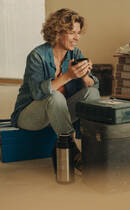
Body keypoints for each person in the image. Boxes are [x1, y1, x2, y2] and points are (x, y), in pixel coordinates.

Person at [10, 8, 100, 169]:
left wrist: (85, 76)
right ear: (58, 32)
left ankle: (91, 145)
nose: (77, 38)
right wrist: (67, 76)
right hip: (30, 116)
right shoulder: (37, 56)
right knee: (54, 96)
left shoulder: (75, 52)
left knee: (92, 93)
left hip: (59, 113)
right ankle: (69, 146)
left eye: (78, 33)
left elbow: (94, 85)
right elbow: (38, 93)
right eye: (72, 32)